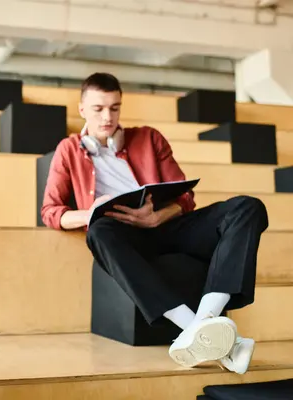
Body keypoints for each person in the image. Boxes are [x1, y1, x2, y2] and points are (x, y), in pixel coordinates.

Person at [41, 72, 268, 374]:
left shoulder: (149, 137)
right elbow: (51, 211)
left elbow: (185, 196)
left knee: (248, 207)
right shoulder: (68, 150)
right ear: (82, 109)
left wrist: (159, 215)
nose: (107, 116)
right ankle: (198, 330)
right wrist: (91, 211)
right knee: (98, 232)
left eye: (114, 107)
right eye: (98, 109)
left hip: (168, 225)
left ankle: (202, 323)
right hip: (123, 235)